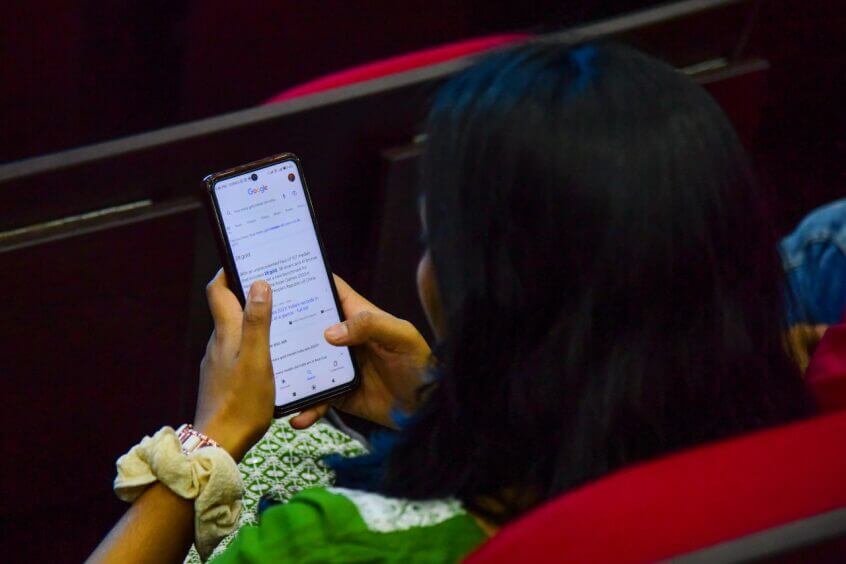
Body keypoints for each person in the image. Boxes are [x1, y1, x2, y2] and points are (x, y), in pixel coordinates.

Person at [89, 42, 814, 563]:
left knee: (284, 443)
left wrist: (208, 444)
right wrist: (438, 400)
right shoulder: (799, 447)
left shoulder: (333, 543)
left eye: (437, 238)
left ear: (497, 295)